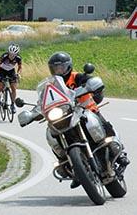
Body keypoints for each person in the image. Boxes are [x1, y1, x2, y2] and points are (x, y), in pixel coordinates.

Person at [47, 52, 130, 187]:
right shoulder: (52, 85)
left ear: (68, 66)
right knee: (52, 135)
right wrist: (34, 113)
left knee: (102, 124)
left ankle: (117, 152)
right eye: (55, 69)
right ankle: (74, 168)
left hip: (87, 111)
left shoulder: (78, 77)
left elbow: (92, 82)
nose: (58, 71)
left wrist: (93, 85)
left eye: (61, 68)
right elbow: (44, 100)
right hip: (67, 117)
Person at [0, 44, 22, 113]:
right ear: (8, 52)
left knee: (13, 88)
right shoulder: (4, 56)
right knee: (1, 86)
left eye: (14, 54)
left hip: (11, 71)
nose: (12, 56)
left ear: (16, 54)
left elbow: (20, 67)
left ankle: (12, 105)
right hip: (2, 70)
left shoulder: (18, 58)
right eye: (10, 54)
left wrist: (18, 73)